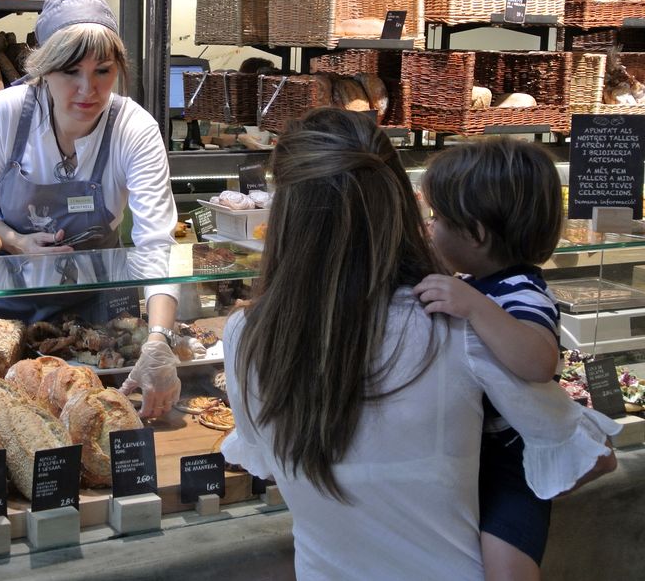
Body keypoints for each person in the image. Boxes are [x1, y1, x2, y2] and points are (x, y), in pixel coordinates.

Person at [220, 108, 620, 580]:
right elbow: (585, 453)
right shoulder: (456, 321)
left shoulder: (244, 335)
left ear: (284, 210)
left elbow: (275, 472)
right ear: (397, 199)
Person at [0, 0, 180, 418]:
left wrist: (158, 339)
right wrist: (14, 240)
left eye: (103, 71)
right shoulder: (7, 113)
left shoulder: (134, 129)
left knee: (92, 417)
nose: (87, 89)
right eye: (70, 72)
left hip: (95, 317)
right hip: (2, 309)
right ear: (43, 70)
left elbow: (157, 244)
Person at [412, 139, 564, 579]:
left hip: (512, 461)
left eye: (436, 218)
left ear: (476, 232)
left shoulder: (520, 291)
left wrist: (476, 307)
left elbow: (539, 361)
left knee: (506, 564)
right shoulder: (473, 281)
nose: (429, 228)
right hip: (469, 450)